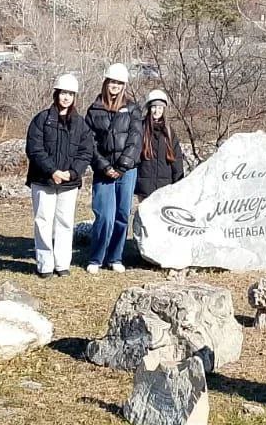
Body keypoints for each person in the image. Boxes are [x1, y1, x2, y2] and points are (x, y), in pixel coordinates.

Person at [25, 73, 95, 277]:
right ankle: (44, 265)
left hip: (69, 183)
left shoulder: (80, 124)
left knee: (65, 223)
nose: (66, 98)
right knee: (43, 221)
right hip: (43, 180)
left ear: (74, 97)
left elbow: (86, 152)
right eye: (63, 93)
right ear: (56, 94)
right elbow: (34, 149)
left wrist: (72, 173)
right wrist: (52, 171)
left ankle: (62, 264)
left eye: (70, 94)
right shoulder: (41, 119)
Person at [84, 62, 142, 273]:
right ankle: (96, 258)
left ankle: (115, 257)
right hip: (103, 172)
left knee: (122, 214)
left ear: (124, 85)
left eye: (119, 83)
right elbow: (89, 143)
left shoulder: (133, 108)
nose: (115, 86)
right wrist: (105, 166)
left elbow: (135, 139)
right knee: (104, 216)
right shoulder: (94, 110)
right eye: (112, 82)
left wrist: (122, 166)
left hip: (127, 171)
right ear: (106, 83)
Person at [134, 90, 185, 200]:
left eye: (160, 108)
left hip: (165, 189)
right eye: (154, 107)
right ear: (149, 108)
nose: (157, 111)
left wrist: (179, 183)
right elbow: (133, 157)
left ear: (164, 110)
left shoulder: (169, 132)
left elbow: (177, 160)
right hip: (144, 188)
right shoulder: (140, 128)